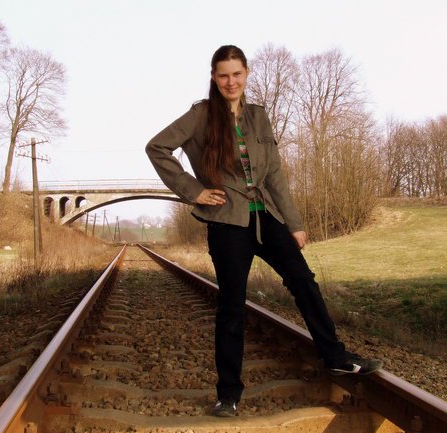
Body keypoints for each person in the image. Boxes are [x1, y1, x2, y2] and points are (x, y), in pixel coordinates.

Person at [146, 45, 382, 417]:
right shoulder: (201, 115)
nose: (231, 82)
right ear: (213, 77)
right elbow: (157, 147)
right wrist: (195, 191)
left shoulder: (258, 116)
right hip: (227, 222)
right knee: (232, 305)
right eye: (223, 75)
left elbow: (274, 175)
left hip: (266, 216)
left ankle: (335, 358)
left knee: (303, 280)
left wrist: (294, 223)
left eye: (236, 74)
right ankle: (228, 395)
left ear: (246, 73)